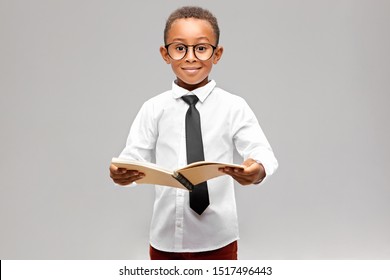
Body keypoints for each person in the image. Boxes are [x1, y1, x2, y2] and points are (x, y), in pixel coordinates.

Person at [109, 6, 278, 260]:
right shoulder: (153, 108)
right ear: (165, 54)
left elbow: (262, 151)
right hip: (165, 239)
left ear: (217, 53)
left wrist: (257, 170)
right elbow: (134, 156)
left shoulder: (233, 106)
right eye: (179, 48)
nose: (190, 57)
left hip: (219, 239)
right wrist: (122, 173)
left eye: (201, 48)